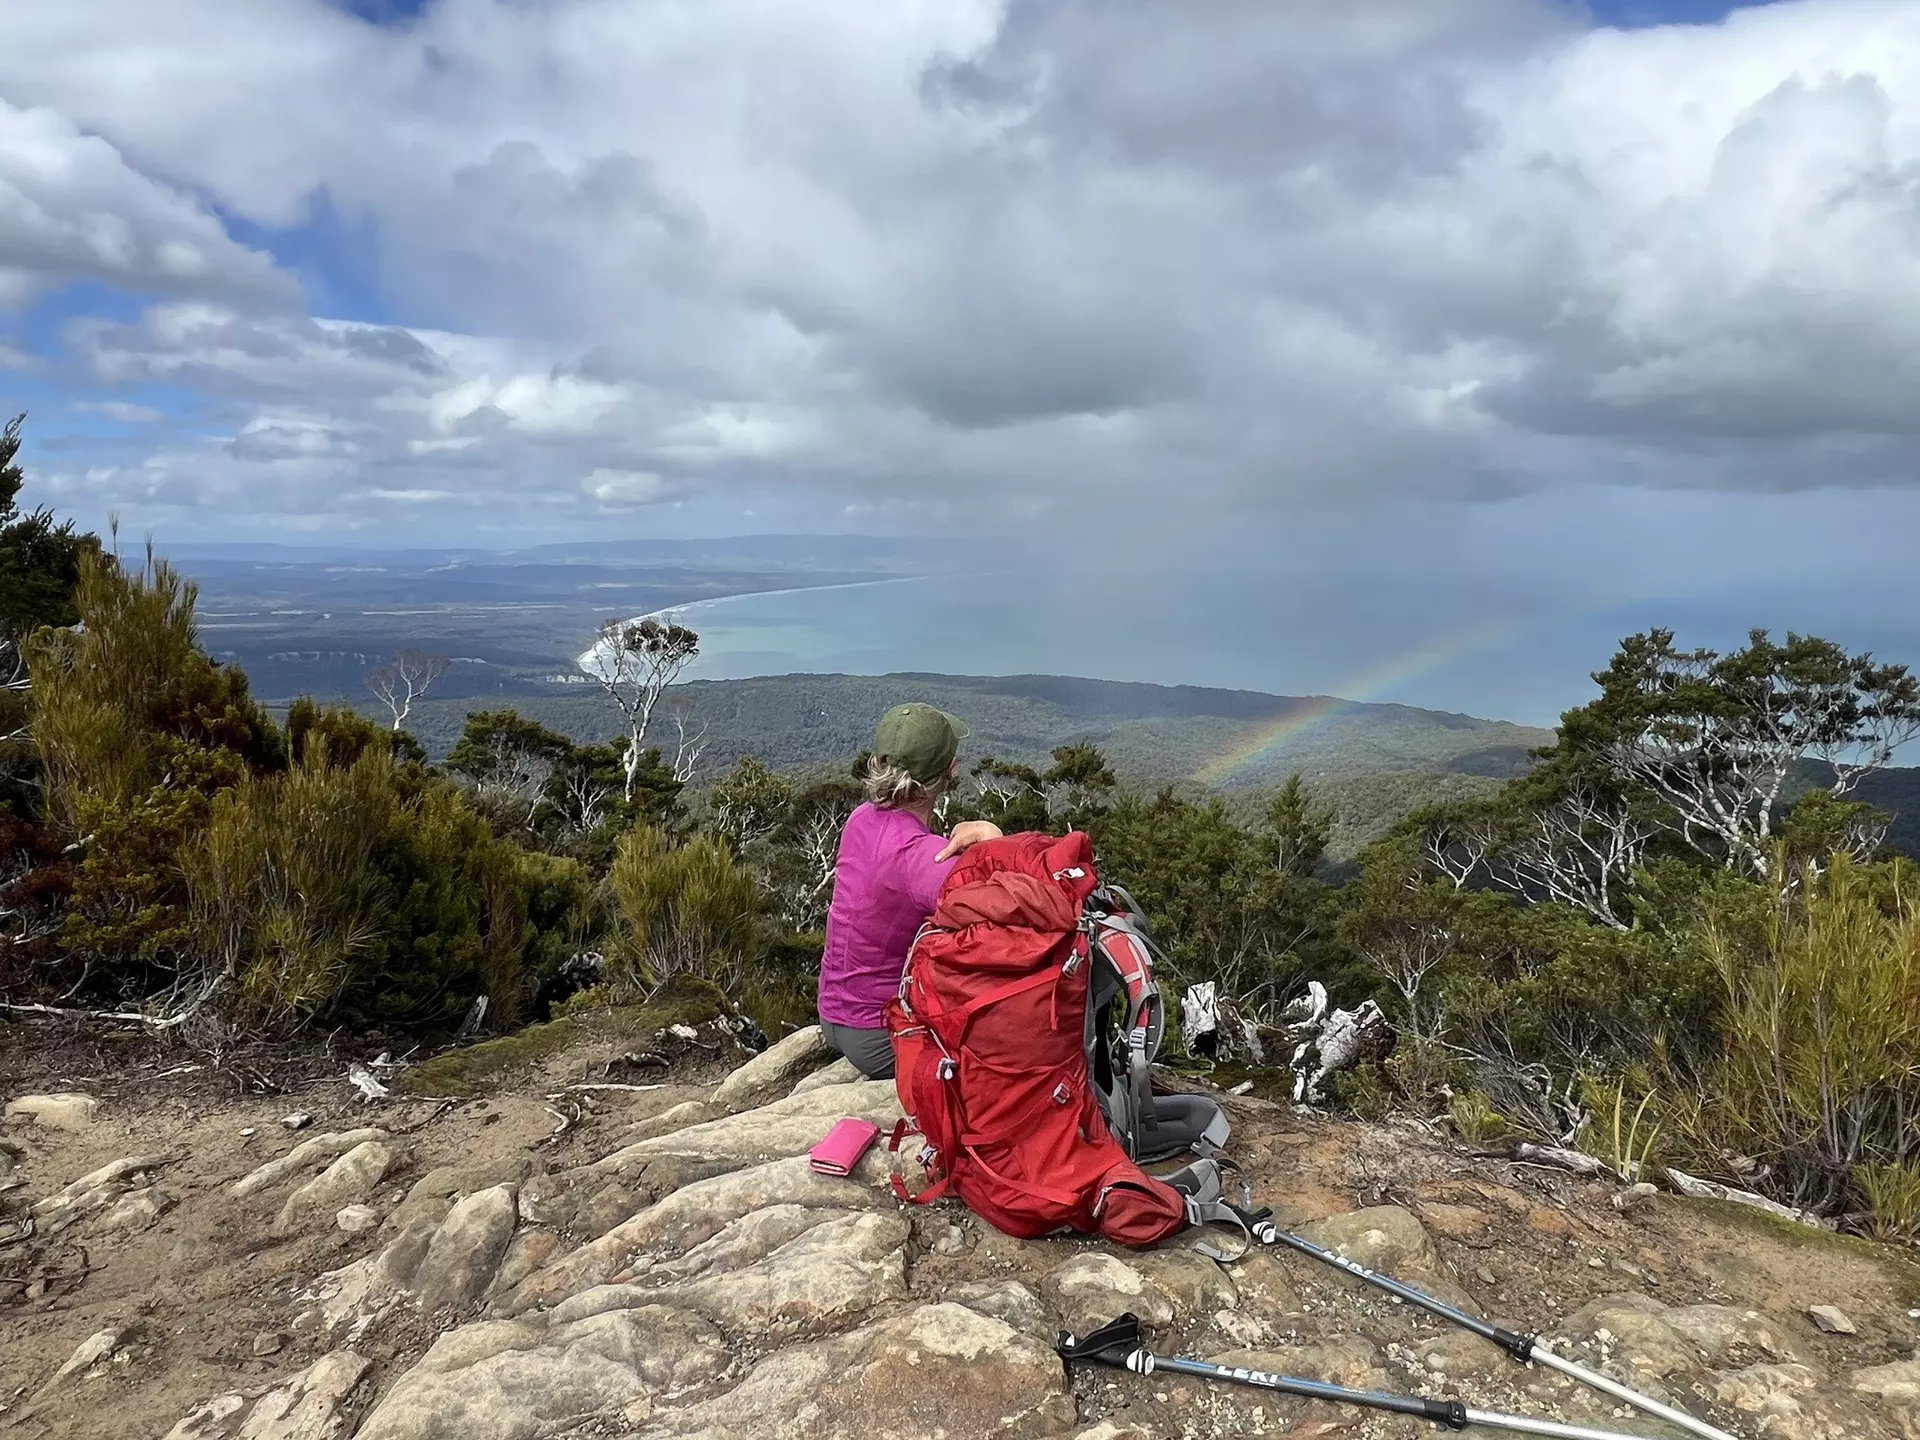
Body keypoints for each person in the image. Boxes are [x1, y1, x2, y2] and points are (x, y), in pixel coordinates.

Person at [817, 703, 1003, 1079]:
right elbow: (1009, 904)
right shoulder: (921, 858)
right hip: (877, 1034)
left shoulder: (861, 819)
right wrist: (992, 839)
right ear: (950, 770)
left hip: (833, 1013)